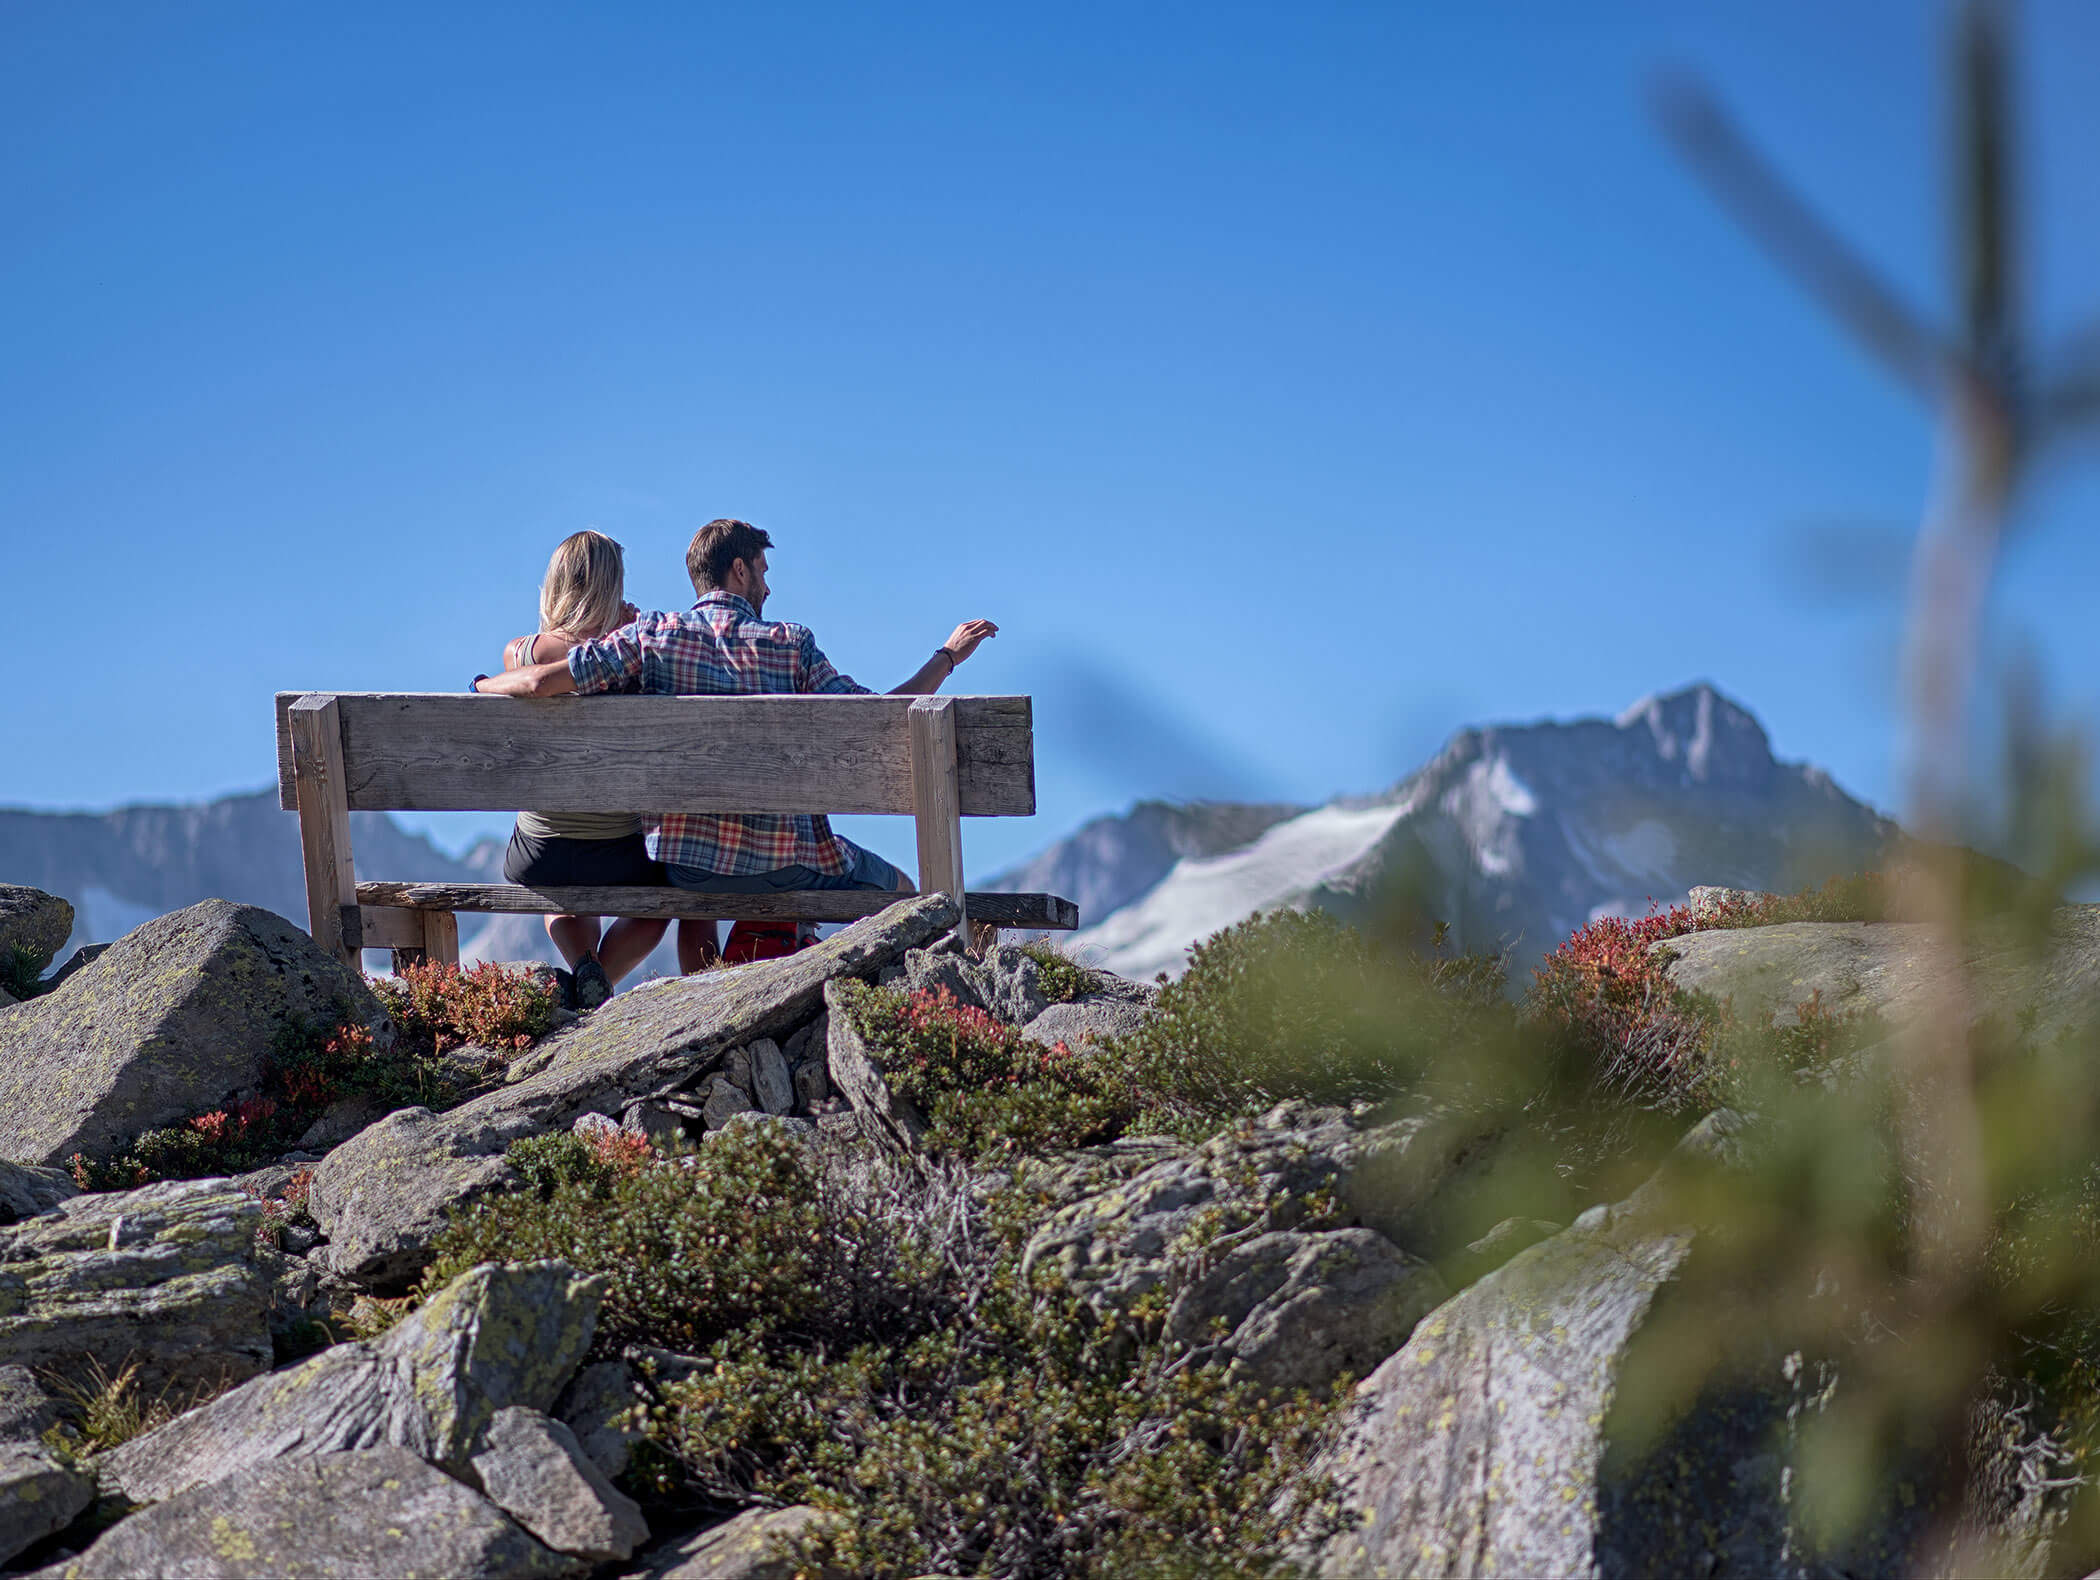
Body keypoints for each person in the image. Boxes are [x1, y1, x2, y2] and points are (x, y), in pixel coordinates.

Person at [475, 518, 997, 968]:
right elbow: (882, 717)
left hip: (687, 867)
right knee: (905, 892)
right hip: (785, 861)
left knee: (694, 902)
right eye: (764, 572)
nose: (768, 588)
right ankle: (935, 993)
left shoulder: (653, 635)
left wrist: (483, 686)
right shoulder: (792, 644)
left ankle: (703, 1004)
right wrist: (947, 657)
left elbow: (549, 679)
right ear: (741, 571)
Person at [484, 530, 673, 1005]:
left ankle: (585, 972)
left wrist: (482, 684)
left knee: (563, 888)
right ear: (612, 586)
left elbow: (534, 673)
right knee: (661, 903)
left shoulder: (518, 654)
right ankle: (597, 982)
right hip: (621, 851)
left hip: (539, 852)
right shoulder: (632, 658)